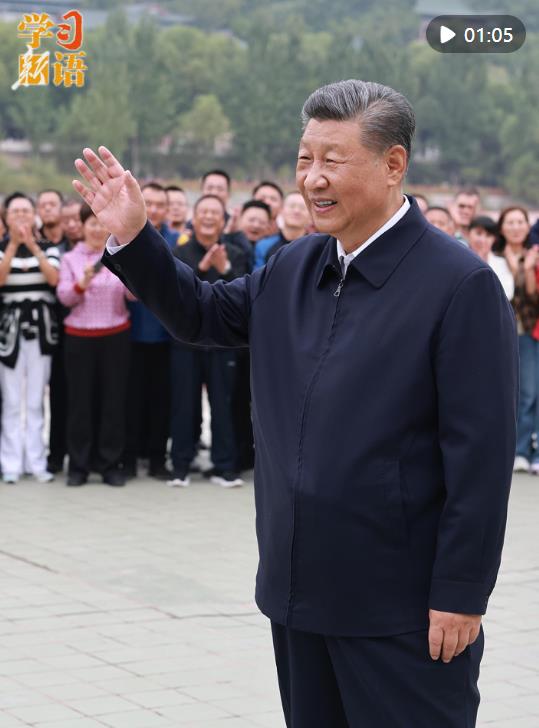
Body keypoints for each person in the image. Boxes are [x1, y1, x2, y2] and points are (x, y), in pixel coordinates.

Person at [74, 79, 517, 728]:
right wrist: (137, 237)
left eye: (333, 160)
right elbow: (200, 314)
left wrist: (461, 593)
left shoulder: (458, 285)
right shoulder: (293, 267)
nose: (312, 179)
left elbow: (480, 459)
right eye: (305, 159)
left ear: (393, 164)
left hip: (401, 610)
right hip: (297, 593)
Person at [168, 194, 248, 487]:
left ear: (224, 220)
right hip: (186, 342)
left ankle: (224, 466)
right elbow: (176, 293)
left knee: (223, 405)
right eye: (204, 212)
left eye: (216, 212)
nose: (210, 217)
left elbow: (246, 293)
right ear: (194, 217)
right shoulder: (180, 252)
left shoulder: (236, 252)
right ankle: (180, 465)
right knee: (184, 404)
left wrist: (224, 268)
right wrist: (201, 269)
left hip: (224, 343)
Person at [57, 203, 135, 486]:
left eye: (102, 223)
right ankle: (78, 466)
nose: (97, 229)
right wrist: (82, 283)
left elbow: (134, 296)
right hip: (79, 339)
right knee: (80, 404)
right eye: (92, 223)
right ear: (81, 226)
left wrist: (132, 274)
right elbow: (65, 297)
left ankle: (110, 464)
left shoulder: (118, 257)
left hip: (115, 336)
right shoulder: (70, 259)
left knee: (113, 402)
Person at [0, 192, 60, 484]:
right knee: (12, 400)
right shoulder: (1, 248)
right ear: (6, 217)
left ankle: (37, 462)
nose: (21, 216)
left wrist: (33, 247)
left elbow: (53, 279)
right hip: (9, 333)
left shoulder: (49, 247)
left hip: (41, 330)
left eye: (26, 211)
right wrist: (13, 244)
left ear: (34, 215)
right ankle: (10, 463)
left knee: (35, 399)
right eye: (15, 212)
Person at [123, 182, 177, 480]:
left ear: (168, 209)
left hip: (167, 336)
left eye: (160, 205)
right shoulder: (124, 236)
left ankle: (158, 459)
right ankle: (129, 459)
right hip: (130, 335)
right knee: (131, 401)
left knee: (161, 401)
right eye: (149, 203)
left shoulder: (177, 240)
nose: (154, 209)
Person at [492, 206, 538, 474]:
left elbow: (531, 297)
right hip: (502, 331)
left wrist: (525, 268)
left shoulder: (533, 255)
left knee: (530, 393)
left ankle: (524, 450)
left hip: (529, 330)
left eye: (520, 222)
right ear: (502, 227)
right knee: (512, 393)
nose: (516, 227)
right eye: (510, 222)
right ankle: (516, 449)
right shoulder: (494, 257)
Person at [468, 215, 514, 300]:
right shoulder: (459, 260)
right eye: (478, 233)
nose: (482, 240)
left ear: (494, 239)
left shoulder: (501, 263)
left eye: (488, 235)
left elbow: (508, 294)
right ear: (468, 234)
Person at [263, 191, 312, 264]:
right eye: (292, 206)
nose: (296, 211)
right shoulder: (264, 245)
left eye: (302, 208)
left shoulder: (316, 246)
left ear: (311, 214)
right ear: (281, 210)